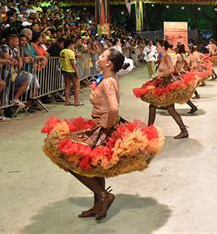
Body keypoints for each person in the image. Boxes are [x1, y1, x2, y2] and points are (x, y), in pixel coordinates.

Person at [42, 48, 163, 221]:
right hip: (101, 125)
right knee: (96, 165)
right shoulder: (110, 78)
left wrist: (106, 126)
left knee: (71, 160)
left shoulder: (107, 82)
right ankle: (99, 205)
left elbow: (113, 107)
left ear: (108, 63)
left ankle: (102, 195)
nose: (98, 57)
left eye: (102, 56)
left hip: (102, 127)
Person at [136, 40, 191, 139]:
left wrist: (160, 74)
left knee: (160, 107)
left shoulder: (167, 57)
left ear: (163, 47)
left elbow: (171, 69)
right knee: (163, 108)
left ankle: (150, 130)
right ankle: (182, 130)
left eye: (157, 46)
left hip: (166, 85)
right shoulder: (163, 57)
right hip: (163, 84)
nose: (156, 48)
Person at [174, 44, 198, 113]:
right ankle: (166, 106)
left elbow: (173, 65)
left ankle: (193, 106)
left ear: (178, 49)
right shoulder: (181, 55)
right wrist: (184, 70)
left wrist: (177, 71)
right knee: (180, 93)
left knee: (179, 93)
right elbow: (186, 63)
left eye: (176, 47)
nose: (174, 48)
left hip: (177, 76)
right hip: (181, 75)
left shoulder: (177, 56)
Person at [60, 39, 83, 106]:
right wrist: (77, 72)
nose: (74, 46)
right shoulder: (70, 52)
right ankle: (76, 102)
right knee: (76, 85)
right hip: (71, 70)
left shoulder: (62, 51)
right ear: (70, 45)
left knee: (67, 86)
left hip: (64, 70)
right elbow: (73, 63)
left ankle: (67, 101)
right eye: (73, 45)